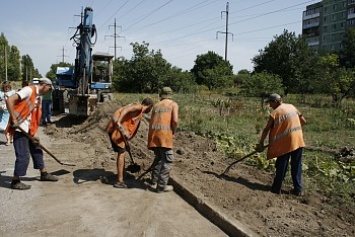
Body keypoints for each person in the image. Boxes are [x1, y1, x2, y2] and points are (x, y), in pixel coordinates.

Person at [5, 78, 58, 190]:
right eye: (49, 87)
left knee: (37, 150)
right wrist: (14, 119)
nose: (49, 90)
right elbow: (9, 100)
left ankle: (43, 173)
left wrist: (35, 133)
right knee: (23, 156)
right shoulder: (28, 90)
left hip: (29, 129)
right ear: (43, 85)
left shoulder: (38, 97)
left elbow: (34, 116)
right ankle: (15, 181)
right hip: (20, 128)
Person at [256, 93, 306, 196]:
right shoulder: (292, 107)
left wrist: (261, 143)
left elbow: (266, 129)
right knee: (296, 166)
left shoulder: (275, 113)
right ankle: (298, 189)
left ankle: (276, 188)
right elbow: (303, 121)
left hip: (285, 143)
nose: (269, 105)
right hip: (298, 140)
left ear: (276, 102)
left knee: (281, 165)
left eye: (270, 103)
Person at [105, 98, 154, 188]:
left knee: (123, 151)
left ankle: (123, 173)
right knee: (122, 153)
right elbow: (125, 110)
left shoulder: (138, 111)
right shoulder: (139, 107)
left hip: (118, 131)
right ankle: (119, 181)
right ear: (149, 106)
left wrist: (126, 142)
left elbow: (127, 123)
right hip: (116, 129)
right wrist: (119, 122)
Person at [147, 87, 179, 193]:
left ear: (161, 95)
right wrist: (173, 131)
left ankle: (154, 180)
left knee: (159, 158)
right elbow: (174, 120)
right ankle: (161, 186)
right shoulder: (173, 104)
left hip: (154, 135)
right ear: (170, 95)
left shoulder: (156, 105)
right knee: (168, 160)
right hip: (164, 136)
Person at [0, 81, 16, 145]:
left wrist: (8, 96)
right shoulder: (0, 93)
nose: (6, 89)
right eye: (5, 87)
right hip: (3, 112)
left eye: (8, 87)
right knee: (5, 127)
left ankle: (11, 138)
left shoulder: (13, 92)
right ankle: (8, 140)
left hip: (11, 112)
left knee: (11, 126)